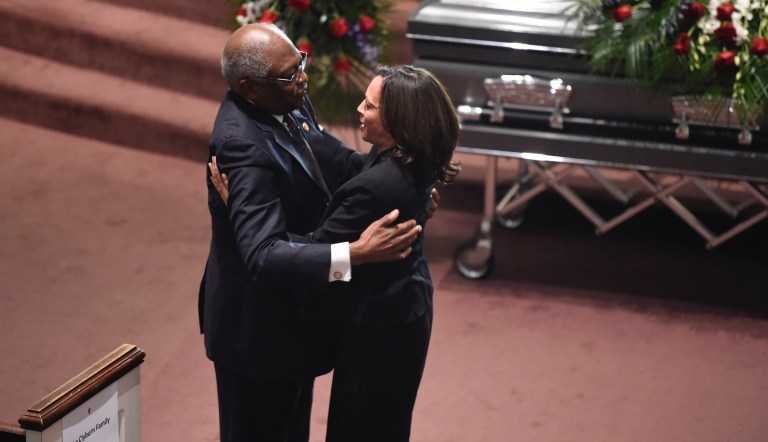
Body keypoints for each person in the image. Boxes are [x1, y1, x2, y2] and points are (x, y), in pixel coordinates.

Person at [198, 23, 424, 442]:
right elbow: (262, 255)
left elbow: (334, 159)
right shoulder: (240, 147)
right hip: (256, 337)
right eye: (290, 74)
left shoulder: (287, 99)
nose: (303, 77)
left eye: (299, 63)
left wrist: (407, 182)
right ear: (249, 88)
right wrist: (354, 254)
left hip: (294, 320)